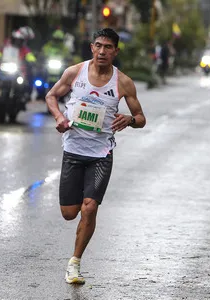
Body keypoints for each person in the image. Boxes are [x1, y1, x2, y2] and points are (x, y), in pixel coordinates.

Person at [45, 28, 146, 284]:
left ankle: (74, 264)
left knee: (89, 208)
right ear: (92, 47)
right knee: (69, 213)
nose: (102, 51)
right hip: (73, 151)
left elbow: (141, 118)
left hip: (101, 154)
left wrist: (130, 119)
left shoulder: (122, 82)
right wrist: (59, 117)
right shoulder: (74, 73)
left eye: (108, 47)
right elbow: (51, 96)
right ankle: (81, 208)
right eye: (98, 46)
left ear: (115, 51)